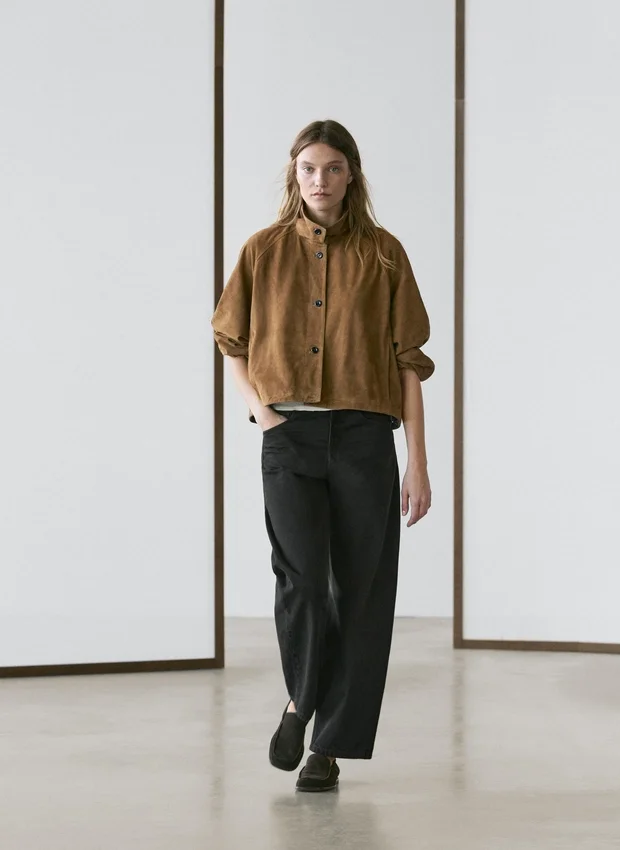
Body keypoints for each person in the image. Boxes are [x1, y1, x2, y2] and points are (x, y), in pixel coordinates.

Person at [211, 119, 434, 792]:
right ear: (294, 174)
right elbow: (231, 343)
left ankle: (327, 746)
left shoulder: (385, 254)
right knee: (302, 581)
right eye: (309, 168)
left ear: (351, 175)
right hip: (289, 438)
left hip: (364, 438)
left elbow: (409, 363)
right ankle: (300, 702)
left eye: (333, 168)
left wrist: (418, 462)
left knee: (360, 591)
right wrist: (264, 414)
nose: (320, 180)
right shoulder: (262, 250)